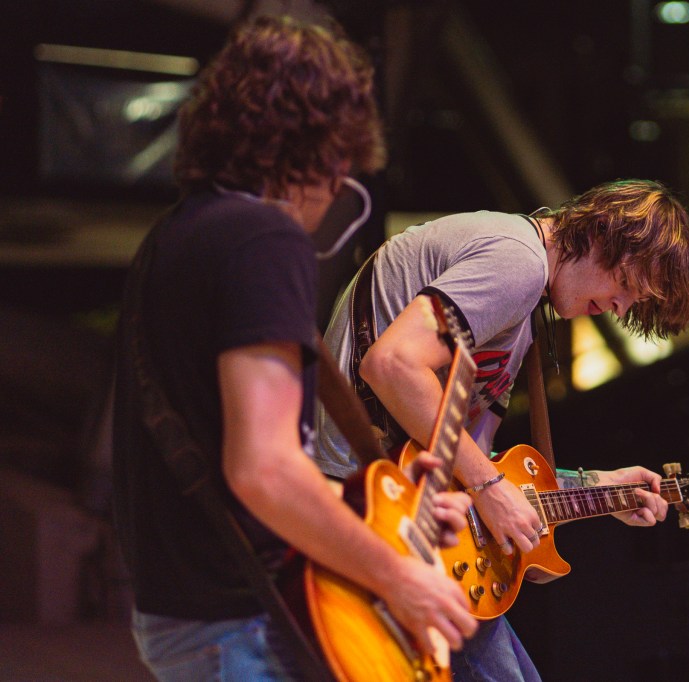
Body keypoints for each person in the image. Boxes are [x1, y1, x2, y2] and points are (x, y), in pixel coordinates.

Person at [111, 15, 476, 681]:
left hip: (184, 614)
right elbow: (266, 470)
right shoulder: (263, 239)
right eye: (343, 166)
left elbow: (232, 455)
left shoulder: (174, 236)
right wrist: (399, 576)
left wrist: (387, 515)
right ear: (326, 152)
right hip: (246, 620)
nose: (339, 190)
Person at [315, 178, 689, 680]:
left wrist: (596, 486)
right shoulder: (517, 261)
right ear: (605, 236)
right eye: (628, 286)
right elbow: (392, 364)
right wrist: (489, 485)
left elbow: (471, 465)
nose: (621, 307)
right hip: (371, 505)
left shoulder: (523, 310)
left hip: (406, 508)